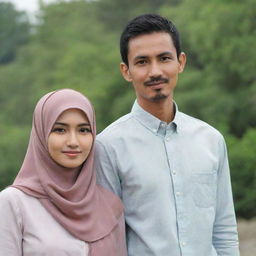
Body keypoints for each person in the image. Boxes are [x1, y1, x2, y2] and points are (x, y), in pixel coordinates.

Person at [95, 14, 240, 256]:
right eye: (142, 62)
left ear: (180, 62)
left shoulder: (211, 140)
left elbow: (224, 229)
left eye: (164, 59)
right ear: (126, 71)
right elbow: (109, 238)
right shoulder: (108, 146)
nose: (155, 71)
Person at [0, 89, 127, 256]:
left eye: (83, 130)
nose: (73, 142)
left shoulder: (110, 206)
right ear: (41, 134)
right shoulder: (14, 203)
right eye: (60, 130)